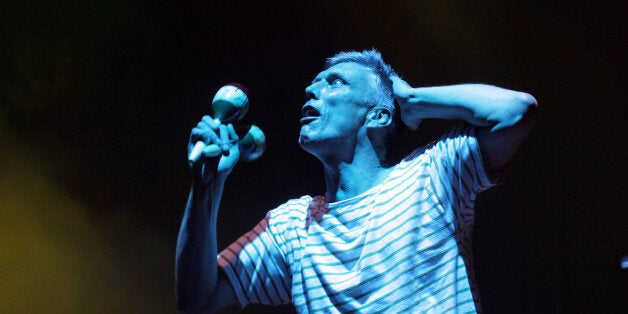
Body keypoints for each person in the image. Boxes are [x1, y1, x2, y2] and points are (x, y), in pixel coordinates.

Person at [175, 49, 538, 313]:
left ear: (378, 116)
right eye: (314, 85)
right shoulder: (291, 227)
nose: (312, 92)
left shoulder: (433, 175)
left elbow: (515, 111)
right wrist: (207, 188)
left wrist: (412, 101)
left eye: (335, 83)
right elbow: (198, 299)